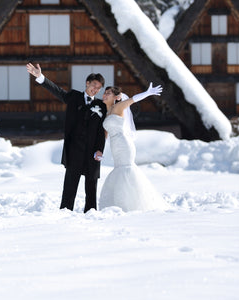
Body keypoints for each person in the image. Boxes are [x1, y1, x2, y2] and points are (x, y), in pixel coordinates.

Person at [27, 63, 106, 212]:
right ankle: (65, 212)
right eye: (94, 85)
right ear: (87, 83)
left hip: (92, 153)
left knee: (91, 187)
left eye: (98, 88)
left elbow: (101, 131)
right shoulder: (74, 97)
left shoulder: (101, 105)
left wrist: (100, 149)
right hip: (74, 150)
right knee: (70, 186)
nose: (95, 89)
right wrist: (40, 77)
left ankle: (91, 214)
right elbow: (57, 91)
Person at [98, 84, 168, 212]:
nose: (105, 95)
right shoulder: (107, 113)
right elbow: (104, 136)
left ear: (116, 97)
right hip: (115, 146)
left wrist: (147, 93)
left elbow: (133, 99)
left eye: (108, 93)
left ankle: (130, 205)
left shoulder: (118, 107)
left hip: (124, 145)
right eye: (105, 93)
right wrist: (100, 150)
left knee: (126, 170)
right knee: (119, 170)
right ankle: (118, 204)